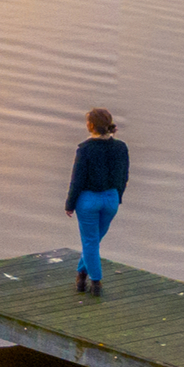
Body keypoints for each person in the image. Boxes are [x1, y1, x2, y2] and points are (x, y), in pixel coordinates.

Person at [66, 108, 128, 295]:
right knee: (93, 241)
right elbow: (123, 176)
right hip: (111, 199)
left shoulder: (85, 149)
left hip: (88, 200)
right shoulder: (121, 147)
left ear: (91, 125)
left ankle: (96, 282)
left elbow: (77, 180)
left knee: (90, 242)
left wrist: (70, 204)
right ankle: (81, 275)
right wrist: (117, 197)